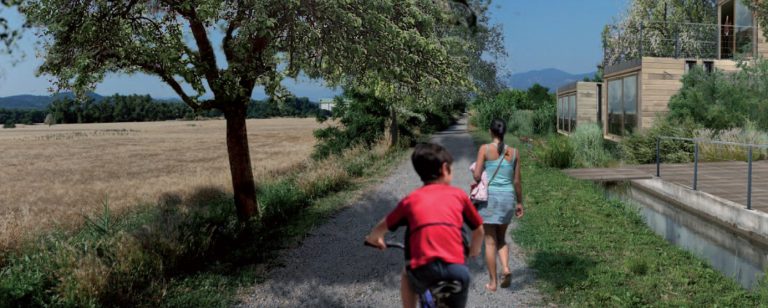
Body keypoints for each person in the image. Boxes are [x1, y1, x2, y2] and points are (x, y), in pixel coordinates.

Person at [366, 142, 485, 308]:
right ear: (445, 169)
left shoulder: (411, 200)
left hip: (423, 270)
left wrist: (374, 237)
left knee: (407, 274)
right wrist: (474, 249)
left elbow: (384, 225)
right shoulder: (458, 195)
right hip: (456, 271)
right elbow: (478, 228)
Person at [472, 118, 524, 292]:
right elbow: (517, 182)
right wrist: (520, 203)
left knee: (490, 241)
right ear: (504, 132)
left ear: (490, 131)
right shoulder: (515, 152)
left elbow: (477, 176)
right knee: (501, 238)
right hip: (508, 198)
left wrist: (479, 171)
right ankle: (506, 268)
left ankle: (493, 282)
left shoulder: (485, 149)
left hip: (490, 200)